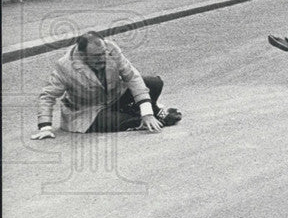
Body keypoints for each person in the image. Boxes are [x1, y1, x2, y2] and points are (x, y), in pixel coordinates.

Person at [31, 32, 181, 139]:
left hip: (115, 97)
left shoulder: (111, 49)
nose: (103, 58)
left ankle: (150, 113)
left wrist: (147, 111)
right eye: (96, 56)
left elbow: (132, 77)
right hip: (88, 110)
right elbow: (47, 96)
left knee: (154, 83)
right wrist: (45, 126)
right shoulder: (65, 66)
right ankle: (146, 118)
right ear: (82, 56)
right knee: (116, 121)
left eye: (103, 53)